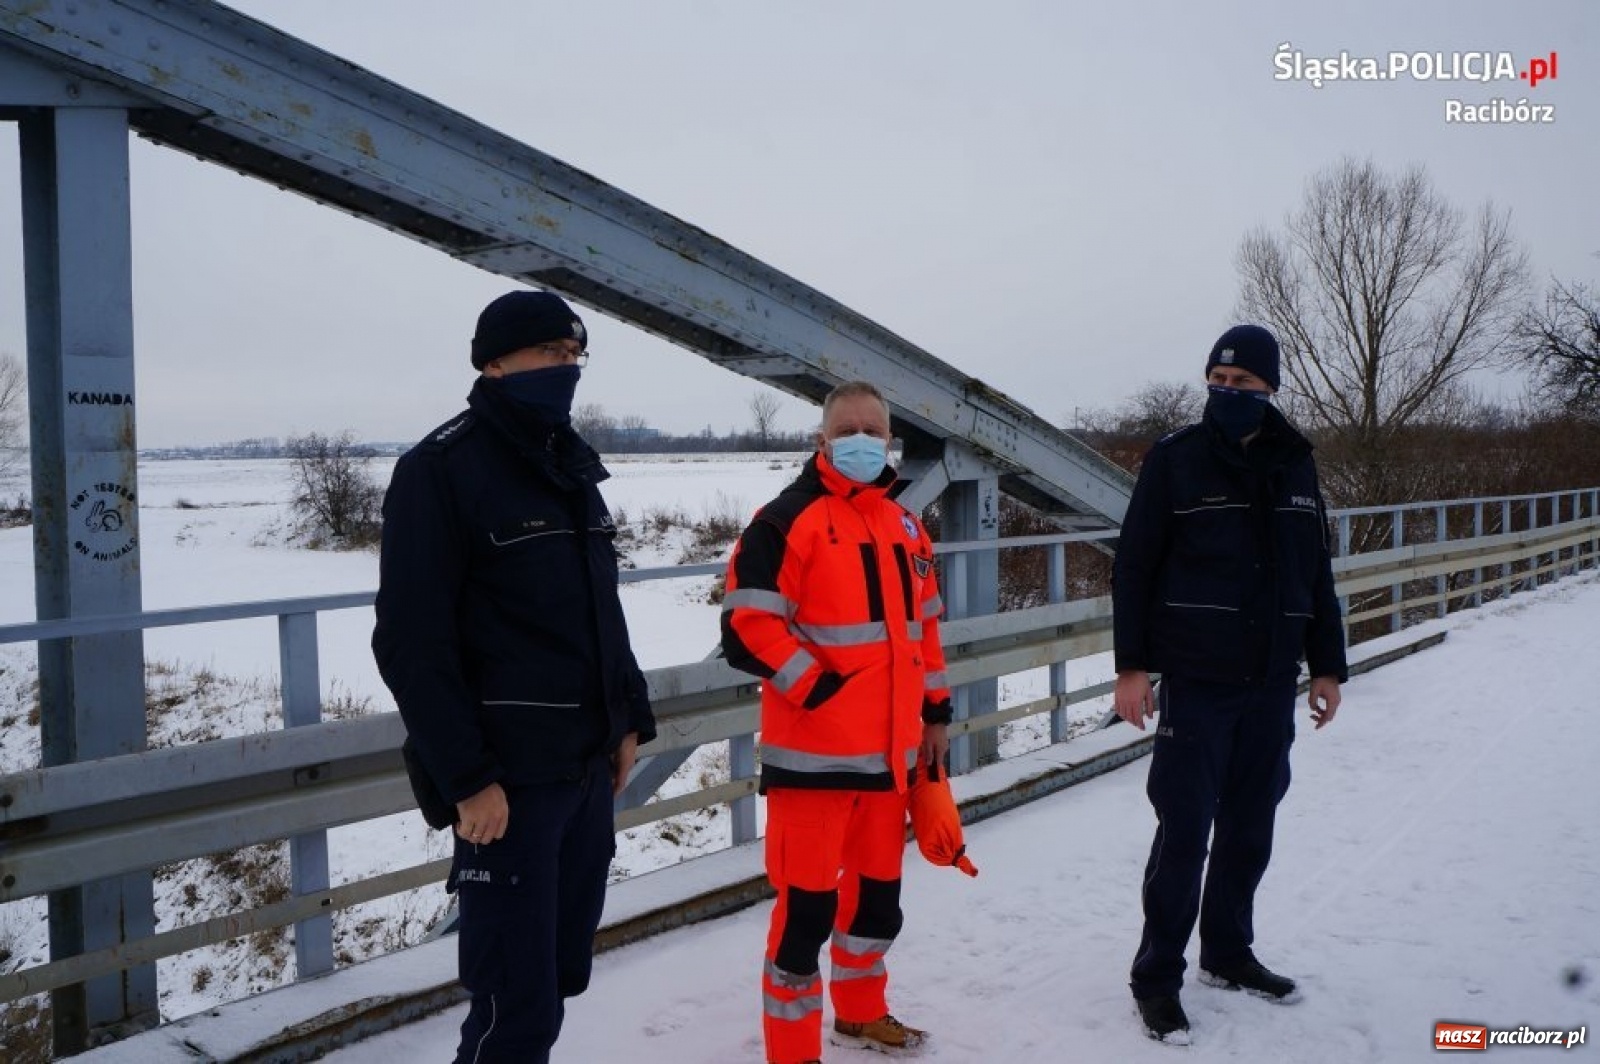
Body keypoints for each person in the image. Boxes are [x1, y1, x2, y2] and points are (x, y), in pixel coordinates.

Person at [372, 290, 656, 1064]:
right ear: (494, 363)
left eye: (573, 357)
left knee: (557, 978)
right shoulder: (440, 470)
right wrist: (466, 778)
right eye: (547, 355)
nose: (565, 370)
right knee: (511, 1005)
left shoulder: (569, 466)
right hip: (508, 787)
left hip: (586, 770)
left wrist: (628, 717)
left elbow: (602, 611)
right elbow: (410, 643)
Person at [1110, 324, 1347, 1044]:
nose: (1228, 390)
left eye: (1243, 382)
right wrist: (1131, 669)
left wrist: (1328, 665)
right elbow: (1135, 567)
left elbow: (1316, 574)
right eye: (1218, 378)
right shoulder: (1175, 461)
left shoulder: (1296, 465)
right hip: (1200, 680)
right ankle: (1157, 979)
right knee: (1184, 834)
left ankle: (1228, 952)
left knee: (1250, 828)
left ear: (1270, 387)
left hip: (1273, 681)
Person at [721, 381, 953, 1064]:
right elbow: (745, 625)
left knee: (876, 909)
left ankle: (860, 1014)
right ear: (823, 441)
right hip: (812, 770)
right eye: (845, 429)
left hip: (889, 765)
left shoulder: (905, 526)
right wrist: (816, 688)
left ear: (889, 441)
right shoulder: (784, 520)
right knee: (805, 924)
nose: (860, 440)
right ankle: (793, 1054)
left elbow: (926, 633)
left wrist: (936, 713)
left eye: (872, 430)